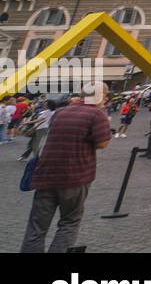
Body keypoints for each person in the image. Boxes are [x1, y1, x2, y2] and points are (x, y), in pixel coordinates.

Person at [21, 82, 111, 252]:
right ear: (100, 96)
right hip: (74, 176)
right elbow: (102, 143)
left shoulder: (60, 112)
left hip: (46, 174)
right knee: (69, 222)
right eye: (106, 96)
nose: (107, 100)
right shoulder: (96, 115)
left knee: (37, 226)